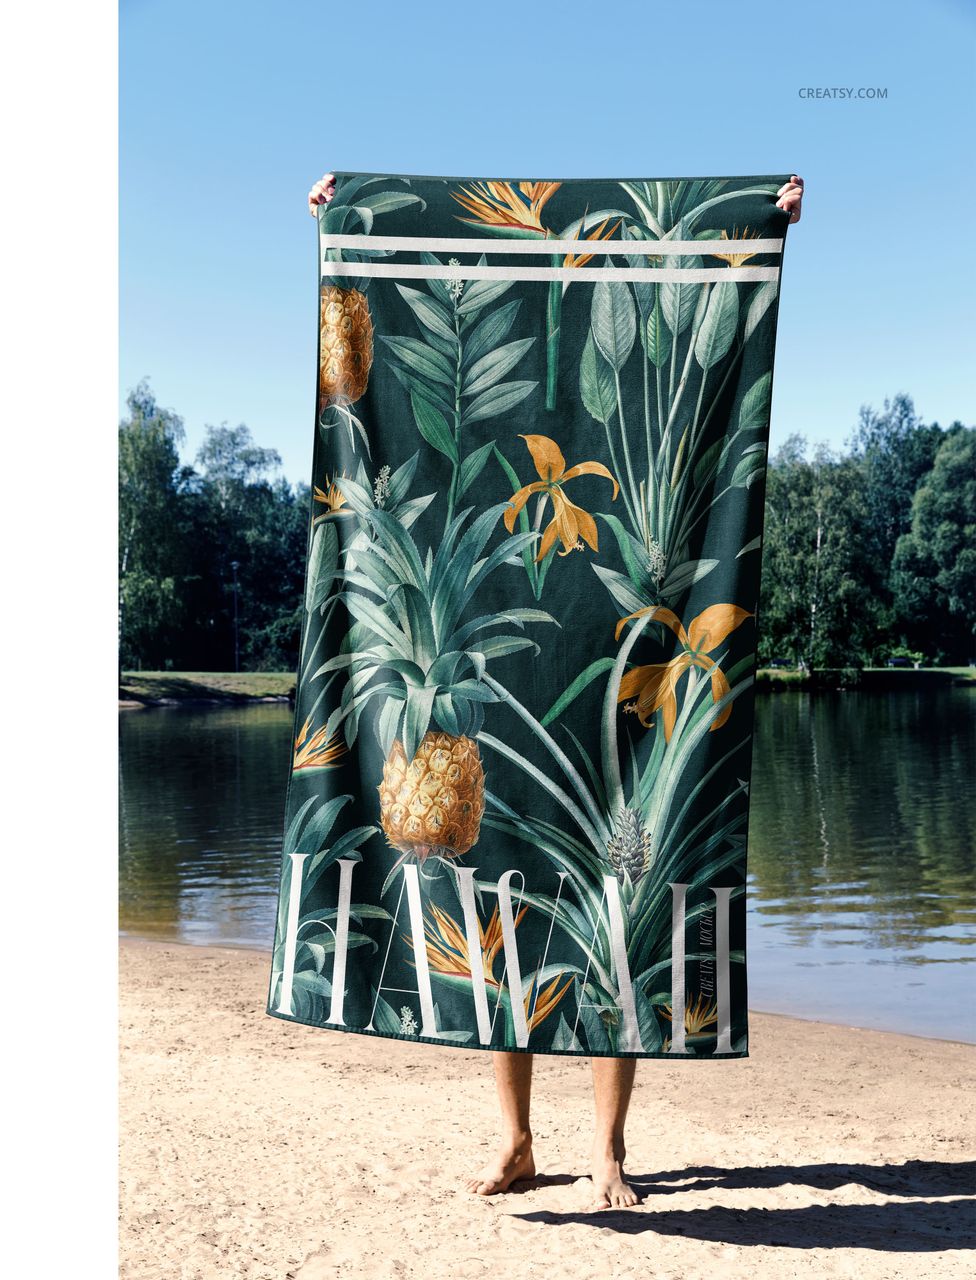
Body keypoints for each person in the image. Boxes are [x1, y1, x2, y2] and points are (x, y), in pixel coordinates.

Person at [300, 170, 805, 1211]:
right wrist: (345, 217)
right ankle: (520, 1139)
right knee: (508, 918)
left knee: (616, 915)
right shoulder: (502, 549)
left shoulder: (606, 529)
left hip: (609, 688)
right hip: (499, 696)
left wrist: (754, 213)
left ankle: (611, 1149)